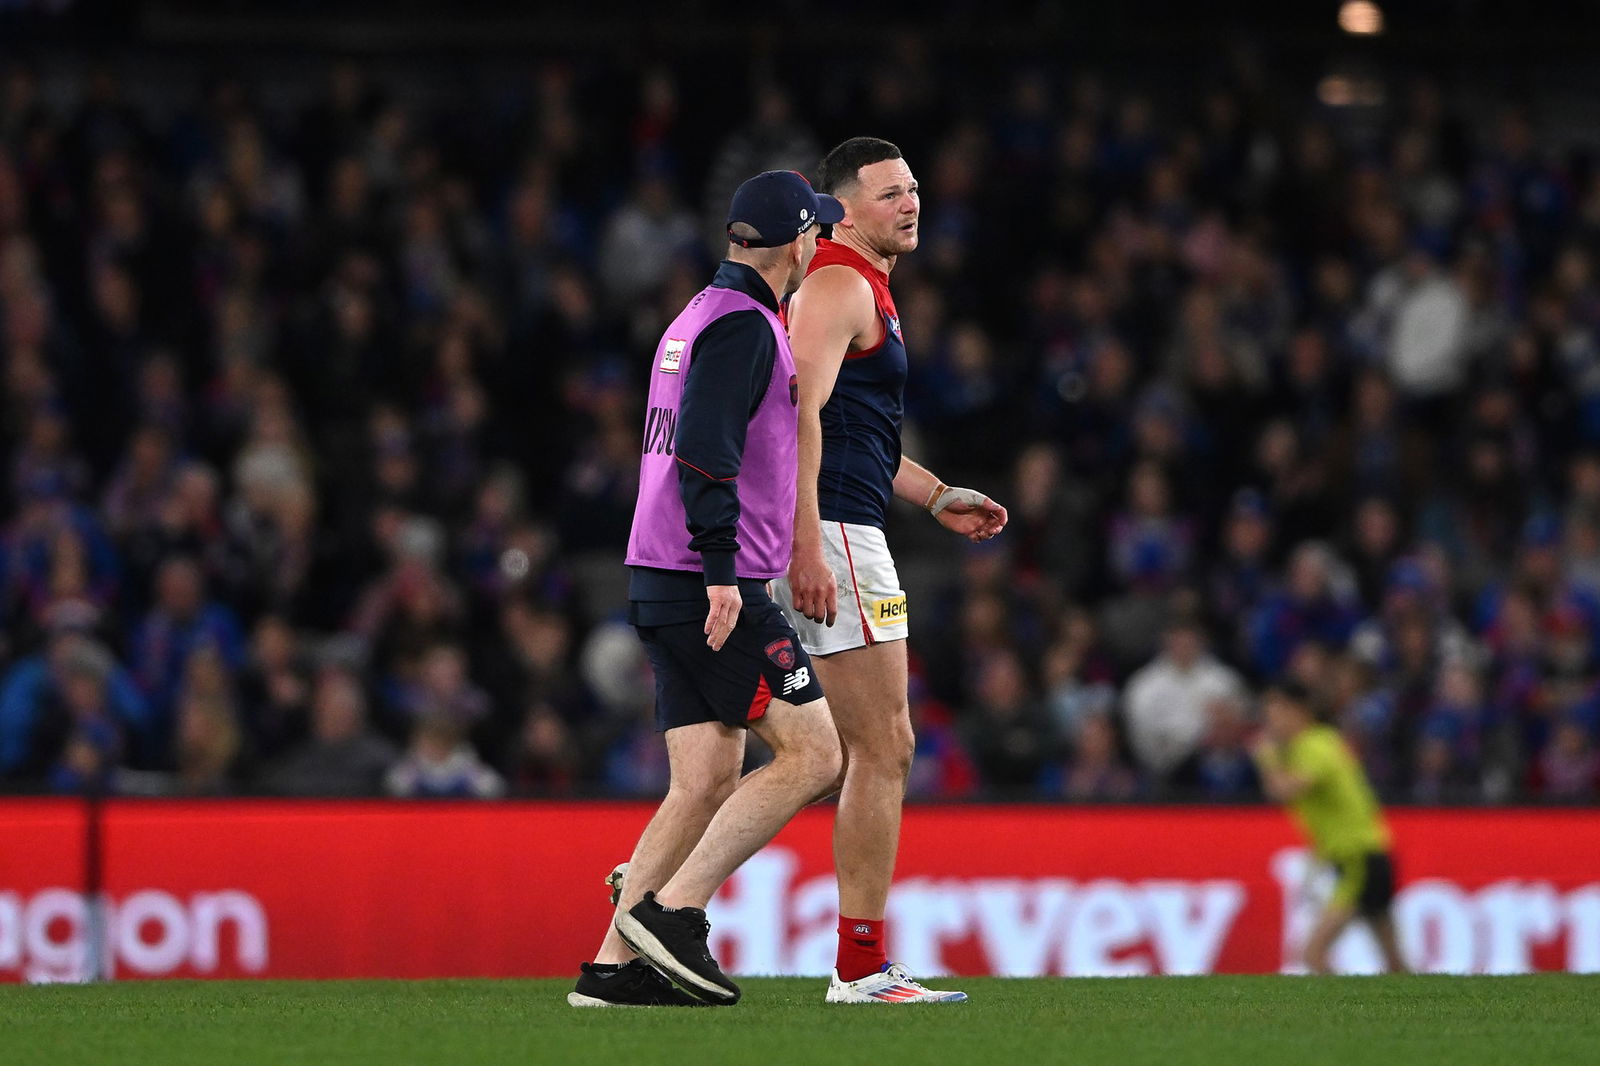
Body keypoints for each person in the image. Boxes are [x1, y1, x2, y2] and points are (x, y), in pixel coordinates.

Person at [570, 172, 845, 1009]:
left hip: (660, 574)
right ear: (797, 243)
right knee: (817, 753)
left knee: (705, 777)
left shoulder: (695, 317)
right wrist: (726, 572)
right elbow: (702, 450)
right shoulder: (746, 329)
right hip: (706, 580)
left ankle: (612, 967)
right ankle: (674, 909)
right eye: (815, 235)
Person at [773, 136, 1005, 1004]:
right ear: (841, 210)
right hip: (830, 529)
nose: (910, 203)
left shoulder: (862, 287)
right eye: (887, 194)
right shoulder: (837, 282)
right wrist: (806, 542)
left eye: (913, 189)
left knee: (809, 752)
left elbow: (861, 433)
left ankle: (657, 896)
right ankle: (861, 967)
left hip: (840, 519)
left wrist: (937, 493)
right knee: (884, 746)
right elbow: (796, 413)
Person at [1251, 679, 1408, 974]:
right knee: (1395, 962)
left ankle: (1353, 1017)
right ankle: (1423, 1014)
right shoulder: (1320, 743)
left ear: (1298, 710)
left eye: (1274, 709)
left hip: (1358, 860)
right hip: (1369, 855)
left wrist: (1267, 758)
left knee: (1313, 954)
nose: (1269, 718)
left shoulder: (1314, 745)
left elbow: (1285, 791)